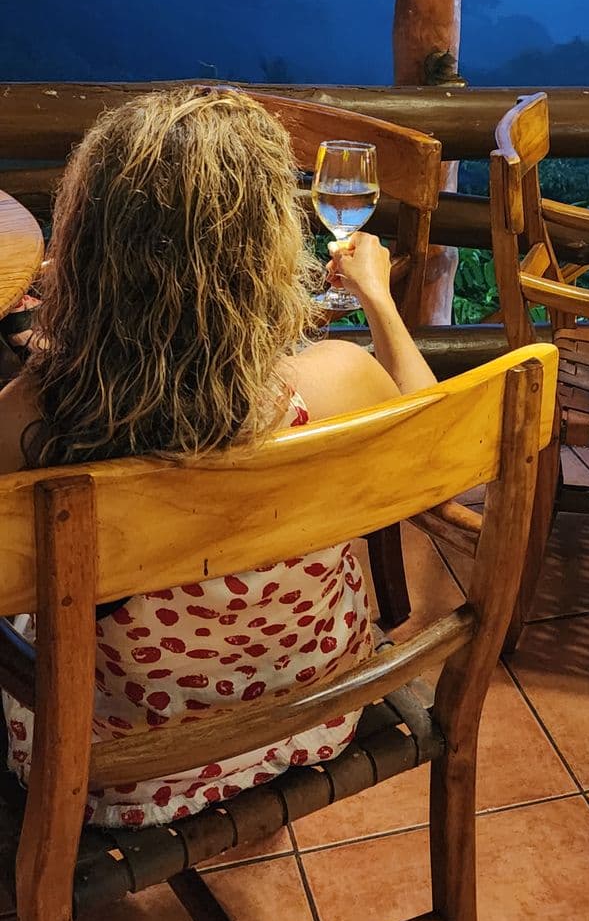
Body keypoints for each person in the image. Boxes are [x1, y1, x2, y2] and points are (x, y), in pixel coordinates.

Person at [0, 87, 434, 828]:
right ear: (267, 248)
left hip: (112, 769)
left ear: (85, 244)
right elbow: (433, 443)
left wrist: (45, 355)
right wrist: (378, 300)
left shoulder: (32, 422)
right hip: (312, 715)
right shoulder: (336, 381)